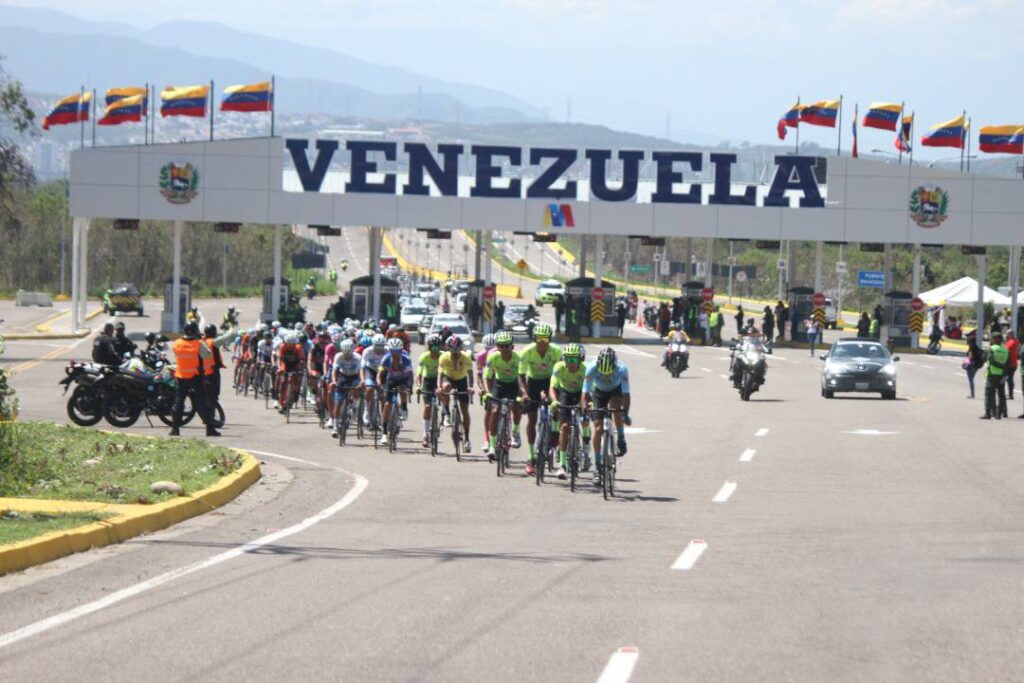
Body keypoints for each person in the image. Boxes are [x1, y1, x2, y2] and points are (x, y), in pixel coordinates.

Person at [583, 348, 631, 487]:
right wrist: (585, 410)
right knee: (598, 429)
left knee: (616, 410)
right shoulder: (591, 368)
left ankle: (621, 438)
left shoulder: (622, 369)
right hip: (597, 393)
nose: (606, 376)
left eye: (609, 373)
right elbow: (585, 393)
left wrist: (625, 414)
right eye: (603, 373)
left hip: (616, 391)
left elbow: (627, 395)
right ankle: (597, 467)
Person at [518, 323, 562, 476]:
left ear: (549, 339)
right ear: (534, 339)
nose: (542, 342)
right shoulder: (527, 351)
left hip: (551, 381)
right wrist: (524, 394)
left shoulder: (556, 351)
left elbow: (560, 373)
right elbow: (521, 376)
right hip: (533, 383)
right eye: (539, 338)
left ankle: (555, 432)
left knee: (557, 405)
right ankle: (531, 458)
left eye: (545, 339)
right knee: (532, 419)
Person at [549, 343, 590, 478]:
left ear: (580, 360)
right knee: (565, 426)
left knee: (585, 419)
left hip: (581, 394)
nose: (570, 363)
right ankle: (562, 464)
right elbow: (552, 387)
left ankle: (585, 449)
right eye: (567, 359)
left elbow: (590, 390)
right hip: (565, 393)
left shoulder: (586, 369)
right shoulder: (558, 367)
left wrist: (585, 404)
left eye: (574, 360)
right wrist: (555, 401)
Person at [170, 321, 218, 437]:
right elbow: (207, 355)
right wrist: (201, 341)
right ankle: (209, 429)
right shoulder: (198, 344)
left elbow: (176, 352)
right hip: (195, 377)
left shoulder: (177, 344)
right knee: (202, 403)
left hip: (180, 377)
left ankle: (175, 429)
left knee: (178, 403)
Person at [484, 330, 523, 461]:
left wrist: (522, 394)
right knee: (494, 411)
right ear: (497, 347)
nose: (504, 349)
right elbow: (488, 377)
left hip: (514, 384)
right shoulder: (493, 357)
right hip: (499, 385)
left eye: (507, 346)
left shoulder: (518, 357)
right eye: (501, 346)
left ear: (512, 346)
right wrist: (489, 393)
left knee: (516, 405)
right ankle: (492, 446)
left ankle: (516, 432)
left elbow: (522, 377)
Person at [439, 334, 474, 452]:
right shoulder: (444, 357)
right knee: (446, 387)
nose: (454, 354)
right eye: (452, 351)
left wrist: (470, 387)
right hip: (448, 378)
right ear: (448, 349)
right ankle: (447, 413)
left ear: (461, 349)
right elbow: (440, 374)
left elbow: (470, 373)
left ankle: (467, 439)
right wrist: (439, 387)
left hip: (461, 380)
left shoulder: (466, 357)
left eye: (457, 351)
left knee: (465, 410)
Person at [377, 338, 414, 440]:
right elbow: (380, 373)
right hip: (391, 379)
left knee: (402, 389)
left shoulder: (406, 359)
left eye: (397, 352)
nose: (395, 354)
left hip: (404, 379)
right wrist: (379, 384)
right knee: (387, 404)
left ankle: (404, 407)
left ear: (401, 350)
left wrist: (410, 388)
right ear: (390, 350)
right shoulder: (386, 358)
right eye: (393, 352)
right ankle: (384, 432)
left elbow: (410, 375)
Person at [331, 339, 362, 437]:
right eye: (345, 353)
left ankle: (354, 406)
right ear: (341, 350)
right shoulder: (338, 356)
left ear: (353, 351)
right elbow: (335, 371)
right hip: (342, 376)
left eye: (349, 353)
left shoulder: (357, 357)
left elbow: (360, 371)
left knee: (355, 388)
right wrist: (335, 381)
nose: (347, 355)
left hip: (354, 376)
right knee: (338, 402)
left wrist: (361, 382)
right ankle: (335, 427)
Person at [416, 334, 442, 447]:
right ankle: (425, 435)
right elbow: (419, 374)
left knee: (444, 395)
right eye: (432, 347)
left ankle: (445, 415)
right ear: (429, 347)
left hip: (439, 380)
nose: (435, 350)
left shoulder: (443, 356)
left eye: (437, 347)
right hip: (428, 381)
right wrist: (418, 386)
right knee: (427, 406)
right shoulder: (424, 356)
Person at [360, 334, 388, 426]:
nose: (379, 349)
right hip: (370, 371)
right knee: (369, 388)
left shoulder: (387, 351)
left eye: (381, 346)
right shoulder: (367, 351)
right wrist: (363, 380)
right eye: (377, 346)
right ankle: (367, 409)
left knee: (383, 396)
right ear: (373, 345)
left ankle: (384, 417)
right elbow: (362, 368)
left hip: (382, 373)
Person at [981, 332, 1008, 420]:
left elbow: (990, 360)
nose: (990, 340)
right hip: (1001, 375)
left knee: (989, 394)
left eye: (992, 338)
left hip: (992, 374)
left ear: (997, 339)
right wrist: (1004, 371)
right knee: (1001, 394)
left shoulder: (991, 349)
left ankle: (988, 413)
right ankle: (998, 414)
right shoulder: (1005, 350)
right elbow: (1007, 364)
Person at [964, 333, 984, 399]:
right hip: (977, 366)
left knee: (971, 380)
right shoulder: (977, 347)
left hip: (972, 365)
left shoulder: (971, 348)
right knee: (971, 379)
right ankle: (972, 394)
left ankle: (972, 394)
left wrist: (965, 363)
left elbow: (970, 357)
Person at [1004, 331, 1020, 401]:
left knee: (1009, 379)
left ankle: (1011, 394)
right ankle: (1010, 393)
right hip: (1014, 363)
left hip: (1010, 363)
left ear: (1010, 334)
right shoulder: (1017, 341)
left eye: (1007, 333)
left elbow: (1007, 353)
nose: (1006, 334)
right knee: (1009, 379)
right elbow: (1018, 350)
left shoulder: (1011, 342)